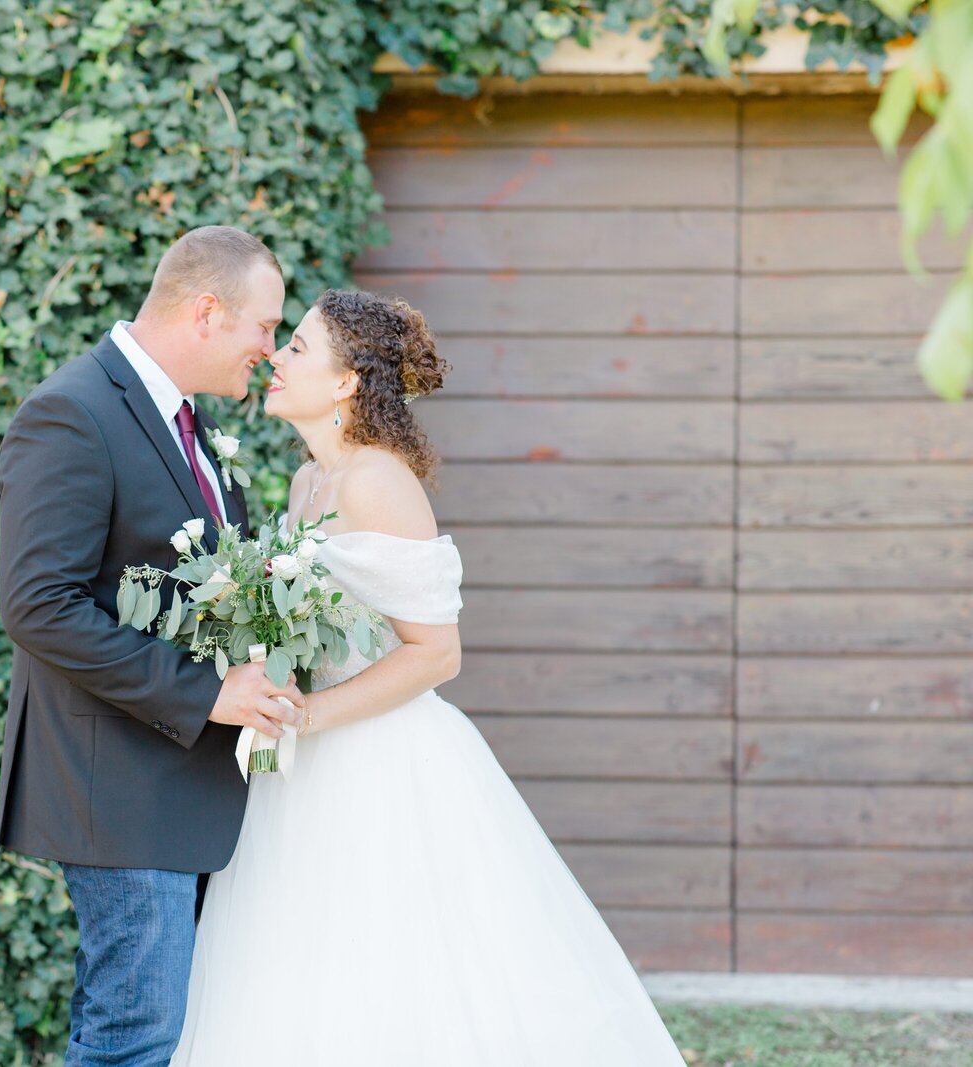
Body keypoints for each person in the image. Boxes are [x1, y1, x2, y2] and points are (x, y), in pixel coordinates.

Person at [170, 289, 687, 1065]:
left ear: (346, 383)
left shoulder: (377, 481)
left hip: (382, 763)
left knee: (401, 969)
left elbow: (436, 653)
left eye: (299, 348)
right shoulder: (308, 480)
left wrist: (309, 712)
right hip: (301, 770)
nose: (277, 358)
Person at [0, 226, 305, 1067]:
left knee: (172, 1040)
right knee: (133, 1043)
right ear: (208, 310)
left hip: (182, 791)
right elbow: (38, 606)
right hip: (120, 792)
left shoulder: (185, 423)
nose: (269, 349)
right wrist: (207, 694)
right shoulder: (73, 412)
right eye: (266, 326)